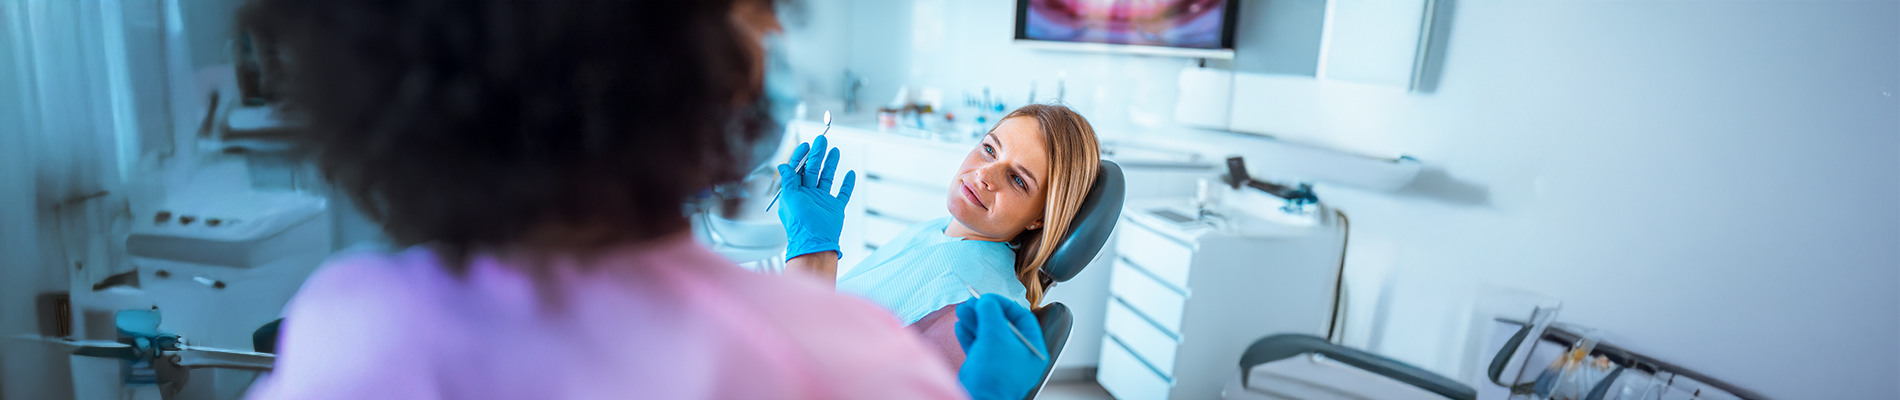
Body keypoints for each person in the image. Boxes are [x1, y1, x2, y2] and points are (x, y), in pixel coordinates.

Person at [236, 0, 1045, 399]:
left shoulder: (343, 327)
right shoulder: (840, 360)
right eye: (758, 17)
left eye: (1020, 177)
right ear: (716, 75)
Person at [779, 104, 1102, 369]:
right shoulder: (940, 233)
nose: (983, 175)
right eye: (989, 149)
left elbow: (807, 377)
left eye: (1017, 180)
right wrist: (815, 257)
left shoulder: (971, 308)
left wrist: (810, 255)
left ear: (1039, 219)